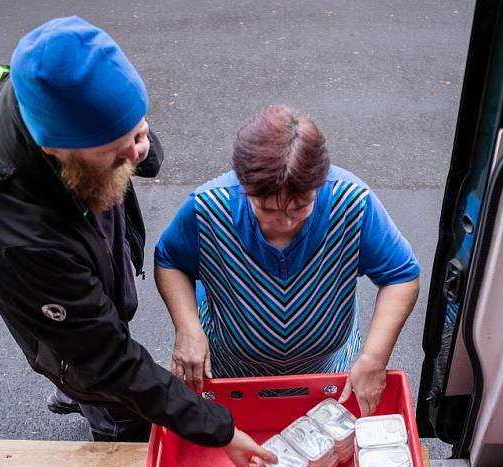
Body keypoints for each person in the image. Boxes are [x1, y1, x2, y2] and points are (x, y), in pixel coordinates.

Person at [0, 16, 273, 467]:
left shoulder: (59, 94)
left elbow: (123, 132)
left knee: (98, 325)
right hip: (70, 326)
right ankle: (98, 415)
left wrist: (134, 141)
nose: (138, 151)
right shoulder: (18, 239)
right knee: (107, 393)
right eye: (117, 149)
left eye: (139, 130)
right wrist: (220, 430)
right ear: (56, 150)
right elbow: (109, 358)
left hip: (84, 278)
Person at [155, 105, 420, 417]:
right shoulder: (207, 209)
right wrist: (186, 329)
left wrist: (375, 358)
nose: (284, 223)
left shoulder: (353, 203)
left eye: (300, 207)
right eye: (267, 209)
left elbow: (401, 275)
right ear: (244, 186)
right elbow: (170, 260)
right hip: (232, 373)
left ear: (320, 184)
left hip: (327, 373)